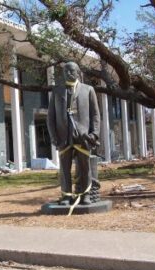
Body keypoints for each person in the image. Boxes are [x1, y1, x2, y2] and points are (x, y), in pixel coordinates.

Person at [47, 61, 100, 206]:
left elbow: (95, 115)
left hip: (83, 137)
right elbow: (50, 117)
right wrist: (54, 137)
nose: (68, 73)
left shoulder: (88, 90)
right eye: (65, 71)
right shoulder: (56, 91)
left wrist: (94, 134)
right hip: (64, 139)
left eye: (71, 71)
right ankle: (66, 196)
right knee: (64, 169)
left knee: (85, 167)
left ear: (78, 73)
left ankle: (85, 195)